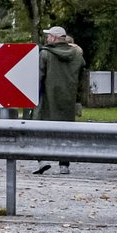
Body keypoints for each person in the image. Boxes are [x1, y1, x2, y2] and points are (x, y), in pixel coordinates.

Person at [33, 25, 89, 175]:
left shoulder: (45, 54)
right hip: (68, 100)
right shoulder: (76, 54)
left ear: (55, 38)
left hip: (47, 99)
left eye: (49, 36)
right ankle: (64, 165)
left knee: (39, 129)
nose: (47, 38)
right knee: (65, 133)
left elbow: (39, 77)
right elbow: (83, 66)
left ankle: (42, 161)